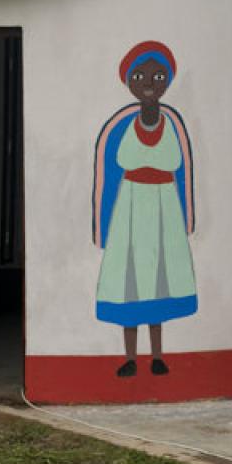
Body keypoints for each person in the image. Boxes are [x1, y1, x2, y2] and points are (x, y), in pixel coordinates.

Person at [91, 42, 197, 376]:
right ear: (129, 83)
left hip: (165, 211)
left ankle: (158, 355)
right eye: (140, 75)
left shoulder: (174, 124)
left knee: (160, 281)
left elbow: (184, 174)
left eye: (157, 75)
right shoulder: (120, 125)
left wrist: (187, 221)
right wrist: (103, 227)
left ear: (167, 80)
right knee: (130, 284)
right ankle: (130, 358)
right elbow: (105, 175)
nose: (149, 83)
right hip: (131, 211)